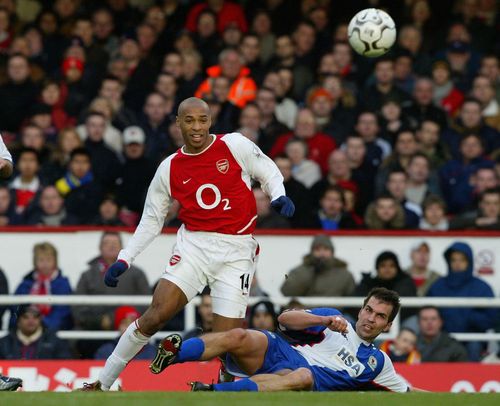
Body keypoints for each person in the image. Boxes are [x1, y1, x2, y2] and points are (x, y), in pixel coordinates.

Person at [79, 97, 294, 391]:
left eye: (202, 120)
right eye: (189, 121)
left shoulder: (235, 145)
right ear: (178, 123)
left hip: (237, 251)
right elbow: (151, 220)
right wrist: (124, 258)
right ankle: (101, 384)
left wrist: (277, 194)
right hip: (194, 246)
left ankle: (222, 388)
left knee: (227, 340)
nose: (196, 127)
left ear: (210, 122)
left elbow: (267, 169)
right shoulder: (169, 168)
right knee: (156, 314)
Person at [153, 287, 412, 392]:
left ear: (388, 325)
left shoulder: (378, 362)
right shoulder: (333, 319)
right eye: (368, 310)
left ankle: (212, 392)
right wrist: (322, 321)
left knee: (302, 376)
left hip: (302, 375)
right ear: (361, 309)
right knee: (238, 335)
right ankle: (173, 354)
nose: (370, 318)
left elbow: (407, 391)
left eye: (379, 316)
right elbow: (285, 320)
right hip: (281, 350)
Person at [427, 242, 497, 361]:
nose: (457, 264)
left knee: (474, 347)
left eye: (462, 260)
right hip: (443, 339)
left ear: (469, 261)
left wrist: (470, 317)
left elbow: (493, 318)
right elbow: (426, 312)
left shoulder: (482, 287)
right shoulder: (438, 286)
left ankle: (472, 379)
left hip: (473, 340)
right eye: (454, 260)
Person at [281, 234, 355, 298]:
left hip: (336, 313)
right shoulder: (299, 271)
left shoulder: (345, 274)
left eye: (326, 249)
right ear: (312, 252)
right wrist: (310, 273)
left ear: (332, 252)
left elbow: (352, 299)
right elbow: (287, 292)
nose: (322, 253)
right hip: (305, 313)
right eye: (317, 249)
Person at [0, 304, 72, 360]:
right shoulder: (4, 342)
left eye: (35, 317)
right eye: (26, 317)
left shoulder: (55, 341)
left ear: (40, 320)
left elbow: (66, 364)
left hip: (45, 378)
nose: (31, 321)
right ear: (18, 321)